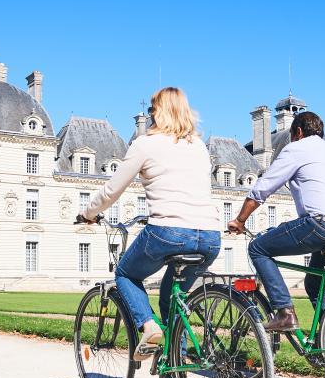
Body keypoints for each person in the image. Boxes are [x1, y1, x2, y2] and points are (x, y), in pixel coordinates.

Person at [78, 87, 221, 360]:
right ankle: (175, 366)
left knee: (126, 275)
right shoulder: (200, 146)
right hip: (211, 237)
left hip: (168, 231)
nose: (151, 114)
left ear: (159, 111)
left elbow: (111, 191)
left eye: (153, 109)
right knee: (170, 298)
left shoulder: (145, 143)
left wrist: (87, 212)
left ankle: (149, 326)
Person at [227, 111, 325, 354]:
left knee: (258, 248)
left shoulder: (297, 149)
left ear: (297, 131)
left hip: (321, 225)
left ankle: (284, 312)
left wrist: (239, 219)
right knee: (315, 283)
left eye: (291, 136)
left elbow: (263, 188)